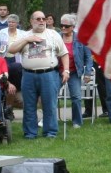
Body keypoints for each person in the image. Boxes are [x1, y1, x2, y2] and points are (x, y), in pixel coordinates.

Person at [10, 10, 68, 139]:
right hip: (29, 75)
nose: (42, 21)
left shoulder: (53, 34)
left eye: (43, 19)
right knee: (29, 105)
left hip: (48, 74)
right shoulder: (24, 35)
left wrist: (66, 70)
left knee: (49, 104)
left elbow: (64, 53)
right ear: (31, 21)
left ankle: (50, 132)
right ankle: (30, 133)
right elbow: (11, 50)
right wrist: (27, 39)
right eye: (38, 19)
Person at [59, 13, 93, 128]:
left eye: (66, 26)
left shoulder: (81, 38)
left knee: (76, 97)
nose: (63, 28)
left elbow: (88, 57)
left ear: (73, 27)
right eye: (61, 25)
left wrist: (88, 73)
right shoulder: (56, 37)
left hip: (74, 72)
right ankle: (49, 120)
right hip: (58, 71)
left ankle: (77, 122)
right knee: (50, 96)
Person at [0, 13, 24, 89]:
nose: (11, 24)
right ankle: (6, 88)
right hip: (4, 57)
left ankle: (16, 88)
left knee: (16, 73)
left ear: (17, 23)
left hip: (17, 58)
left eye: (13, 22)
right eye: (9, 22)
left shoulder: (22, 33)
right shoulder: (2, 32)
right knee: (5, 74)